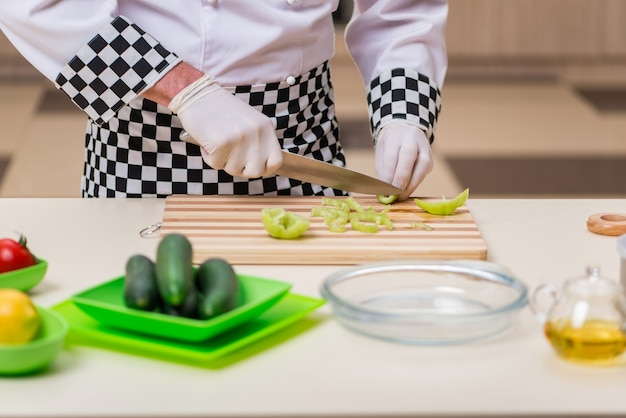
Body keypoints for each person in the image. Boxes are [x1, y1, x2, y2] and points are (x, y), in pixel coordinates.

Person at [0, 1, 447, 200]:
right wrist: (183, 88)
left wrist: (404, 112)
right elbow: (35, 4)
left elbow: (403, 11)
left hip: (301, 136)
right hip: (143, 143)